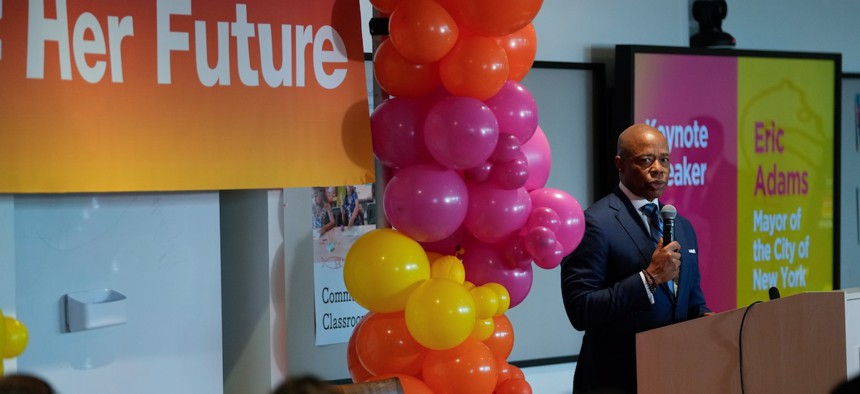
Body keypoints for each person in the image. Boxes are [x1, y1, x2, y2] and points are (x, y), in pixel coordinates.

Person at [560, 124, 711, 393]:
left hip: (675, 376)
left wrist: (714, 322)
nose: (659, 168)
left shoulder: (683, 227)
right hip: (615, 380)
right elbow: (580, 310)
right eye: (646, 160)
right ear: (620, 164)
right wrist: (649, 278)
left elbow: (692, 305)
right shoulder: (594, 224)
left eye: (664, 159)